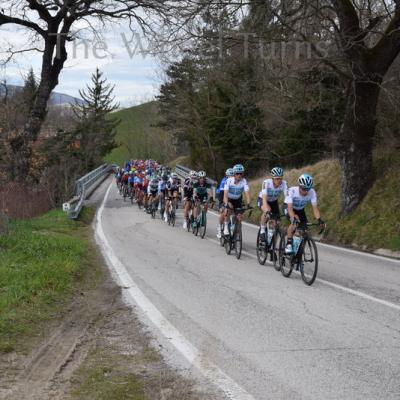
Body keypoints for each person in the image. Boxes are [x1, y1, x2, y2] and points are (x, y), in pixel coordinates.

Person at [284, 173, 325, 254]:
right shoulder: (292, 191)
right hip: (289, 208)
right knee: (294, 223)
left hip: (300, 210)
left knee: (304, 229)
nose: (305, 191)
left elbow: (315, 208)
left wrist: (319, 220)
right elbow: (289, 208)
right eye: (303, 189)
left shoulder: (312, 192)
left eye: (308, 189)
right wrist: (293, 218)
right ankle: (288, 243)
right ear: (299, 186)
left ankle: (296, 250)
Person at [219, 164, 251, 237]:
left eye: (241, 173)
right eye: (237, 173)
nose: (239, 175)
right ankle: (226, 227)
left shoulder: (244, 181)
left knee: (239, 217)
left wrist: (248, 203)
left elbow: (247, 193)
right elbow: (225, 194)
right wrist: (226, 203)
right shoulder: (229, 180)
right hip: (229, 198)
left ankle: (237, 235)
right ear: (234, 174)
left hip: (238, 200)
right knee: (228, 210)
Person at [257, 167, 288, 242]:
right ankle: (262, 230)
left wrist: (287, 209)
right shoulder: (266, 183)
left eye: (280, 178)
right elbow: (264, 197)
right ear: (273, 178)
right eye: (277, 179)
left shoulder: (284, 184)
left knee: (277, 222)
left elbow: (287, 197)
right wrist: (266, 208)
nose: (279, 180)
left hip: (274, 201)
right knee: (267, 211)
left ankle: (271, 240)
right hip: (263, 199)